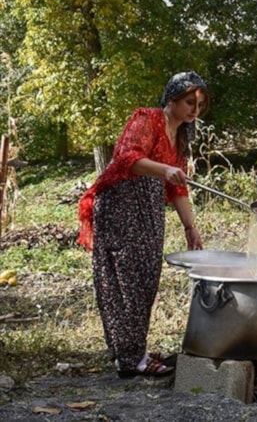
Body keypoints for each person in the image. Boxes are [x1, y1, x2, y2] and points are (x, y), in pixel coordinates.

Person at [77, 71, 208, 378]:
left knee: (146, 276)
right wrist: (164, 169)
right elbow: (126, 158)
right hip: (120, 203)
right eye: (189, 102)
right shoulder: (147, 119)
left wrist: (190, 226)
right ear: (172, 99)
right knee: (126, 278)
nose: (194, 110)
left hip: (148, 208)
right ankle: (130, 358)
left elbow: (177, 187)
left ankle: (133, 349)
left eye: (200, 105)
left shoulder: (181, 139)